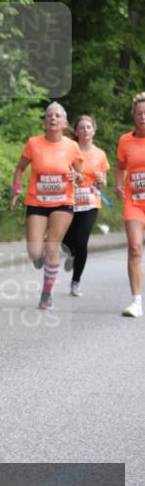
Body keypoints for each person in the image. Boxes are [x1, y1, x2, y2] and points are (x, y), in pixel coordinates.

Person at [9, 102, 83, 310]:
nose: (53, 118)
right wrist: (16, 189)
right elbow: (20, 168)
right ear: (45, 121)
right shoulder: (33, 143)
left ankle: (46, 295)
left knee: (52, 246)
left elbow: (81, 175)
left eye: (57, 116)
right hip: (37, 201)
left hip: (63, 202)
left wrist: (76, 176)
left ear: (65, 122)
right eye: (49, 115)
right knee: (34, 251)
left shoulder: (72, 146)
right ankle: (42, 257)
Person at [63, 115, 110, 296]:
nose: (85, 130)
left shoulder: (100, 154)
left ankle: (75, 282)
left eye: (88, 127)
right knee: (66, 240)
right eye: (81, 127)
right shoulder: (69, 151)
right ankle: (72, 253)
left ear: (94, 130)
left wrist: (101, 180)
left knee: (82, 242)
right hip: (69, 200)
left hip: (90, 202)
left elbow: (103, 183)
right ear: (76, 131)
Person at [117, 92, 145, 318]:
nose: (143, 116)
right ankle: (136, 301)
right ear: (133, 116)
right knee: (135, 248)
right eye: (139, 113)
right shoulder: (125, 140)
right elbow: (120, 166)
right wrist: (119, 184)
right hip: (134, 201)